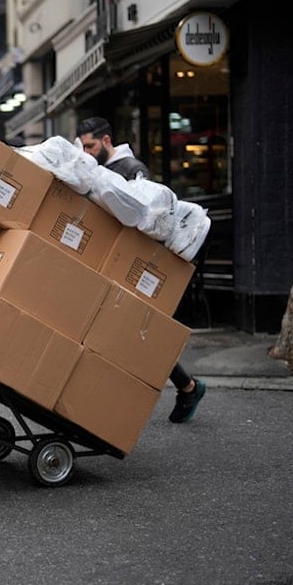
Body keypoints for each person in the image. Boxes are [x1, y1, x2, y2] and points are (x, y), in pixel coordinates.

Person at [76, 116, 206, 423]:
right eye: (82, 147)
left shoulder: (133, 171)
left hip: (134, 265)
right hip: (111, 261)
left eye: (91, 145)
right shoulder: (101, 169)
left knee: (137, 333)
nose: (87, 152)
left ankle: (186, 387)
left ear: (106, 141)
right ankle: (185, 387)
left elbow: (150, 222)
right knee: (131, 333)